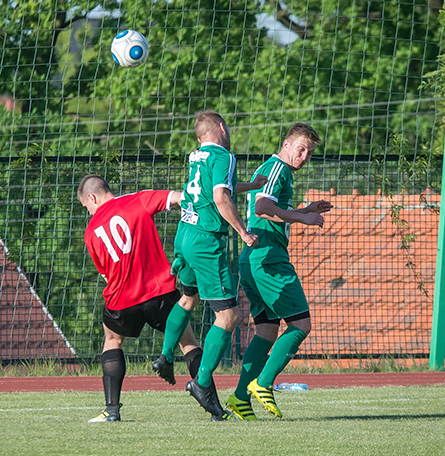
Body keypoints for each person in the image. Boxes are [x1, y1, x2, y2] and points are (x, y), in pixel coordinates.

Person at [154, 110, 259, 419]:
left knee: (187, 297)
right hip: (205, 241)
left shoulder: (196, 156)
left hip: (184, 235)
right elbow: (220, 198)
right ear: (222, 128)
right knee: (228, 317)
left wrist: (249, 186)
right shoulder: (224, 156)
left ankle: (164, 356)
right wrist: (244, 232)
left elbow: (213, 188)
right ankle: (200, 384)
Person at [225, 123, 332, 420]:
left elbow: (272, 208)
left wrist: (304, 209)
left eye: (309, 153)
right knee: (301, 325)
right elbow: (261, 207)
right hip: (268, 259)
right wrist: (302, 216)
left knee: (268, 331)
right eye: (300, 149)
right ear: (286, 144)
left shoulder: (277, 171)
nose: (304, 157)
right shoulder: (277, 168)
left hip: (253, 260)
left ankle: (239, 398)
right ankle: (263, 383)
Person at [78, 175, 204, 423]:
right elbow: (179, 198)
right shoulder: (137, 200)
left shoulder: (91, 231)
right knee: (187, 342)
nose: (89, 212)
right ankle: (211, 402)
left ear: (92, 198)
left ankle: (111, 410)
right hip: (160, 292)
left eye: (87, 207)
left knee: (112, 340)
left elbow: (105, 274)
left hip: (122, 299)